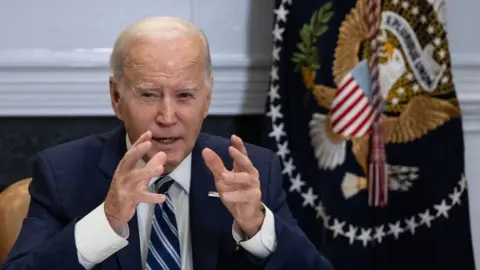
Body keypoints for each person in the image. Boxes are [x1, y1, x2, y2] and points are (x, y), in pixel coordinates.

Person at [3, 17, 334, 270]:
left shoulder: (255, 171)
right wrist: (106, 220)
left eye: (185, 95)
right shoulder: (64, 173)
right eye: (148, 94)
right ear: (116, 97)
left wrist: (258, 228)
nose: (167, 115)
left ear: (207, 99)